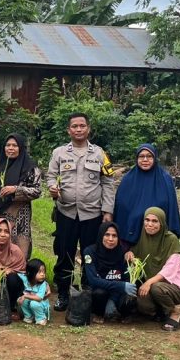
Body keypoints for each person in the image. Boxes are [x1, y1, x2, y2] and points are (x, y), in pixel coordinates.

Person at [47, 113, 117, 312]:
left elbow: (108, 181)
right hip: (66, 213)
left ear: (89, 129)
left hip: (92, 214)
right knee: (64, 253)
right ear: (69, 130)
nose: (78, 129)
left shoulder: (99, 153)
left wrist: (107, 211)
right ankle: (63, 294)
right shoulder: (59, 153)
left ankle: (88, 292)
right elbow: (51, 176)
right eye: (74, 126)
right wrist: (53, 187)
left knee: (90, 254)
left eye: (82, 126)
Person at [129, 207, 180, 331]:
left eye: (155, 221)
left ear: (162, 223)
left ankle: (174, 314)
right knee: (142, 304)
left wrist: (149, 282)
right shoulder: (142, 237)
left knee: (156, 288)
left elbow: (170, 268)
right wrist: (129, 254)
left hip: (178, 287)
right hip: (156, 285)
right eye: (147, 220)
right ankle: (161, 311)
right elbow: (134, 252)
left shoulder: (171, 239)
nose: (150, 224)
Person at [113, 142, 180, 250]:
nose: (145, 160)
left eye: (149, 156)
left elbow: (171, 206)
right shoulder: (128, 179)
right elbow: (121, 205)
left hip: (157, 233)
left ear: (155, 158)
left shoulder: (165, 179)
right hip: (131, 234)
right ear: (136, 158)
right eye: (141, 156)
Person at [0, 133, 42, 258]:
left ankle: (17, 276)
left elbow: (37, 190)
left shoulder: (30, 167)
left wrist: (16, 189)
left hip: (19, 217)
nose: (10, 148)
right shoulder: (0, 165)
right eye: (8, 145)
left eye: (14, 145)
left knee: (18, 253)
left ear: (21, 148)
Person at [83, 221, 136, 322]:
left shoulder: (123, 253)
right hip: (100, 292)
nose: (110, 239)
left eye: (114, 236)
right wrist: (121, 286)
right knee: (99, 293)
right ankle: (98, 314)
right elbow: (93, 280)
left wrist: (112, 300)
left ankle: (120, 314)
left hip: (116, 294)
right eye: (107, 235)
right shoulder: (89, 252)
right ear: (101, 235)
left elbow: (127, 280)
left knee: (129, 298)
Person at [19, 258, 51, 325]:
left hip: (41, 307)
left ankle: (41, 318)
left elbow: (39, 298)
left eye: (44, 272)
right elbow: (17, 275)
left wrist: (25, 296)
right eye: (39, 272)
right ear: (30, 273)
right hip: (32, 305)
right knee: (21, 300)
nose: (42, 274)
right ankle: (29, 316)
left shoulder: (43, 284)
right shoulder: (25, 279)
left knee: (33, 303)